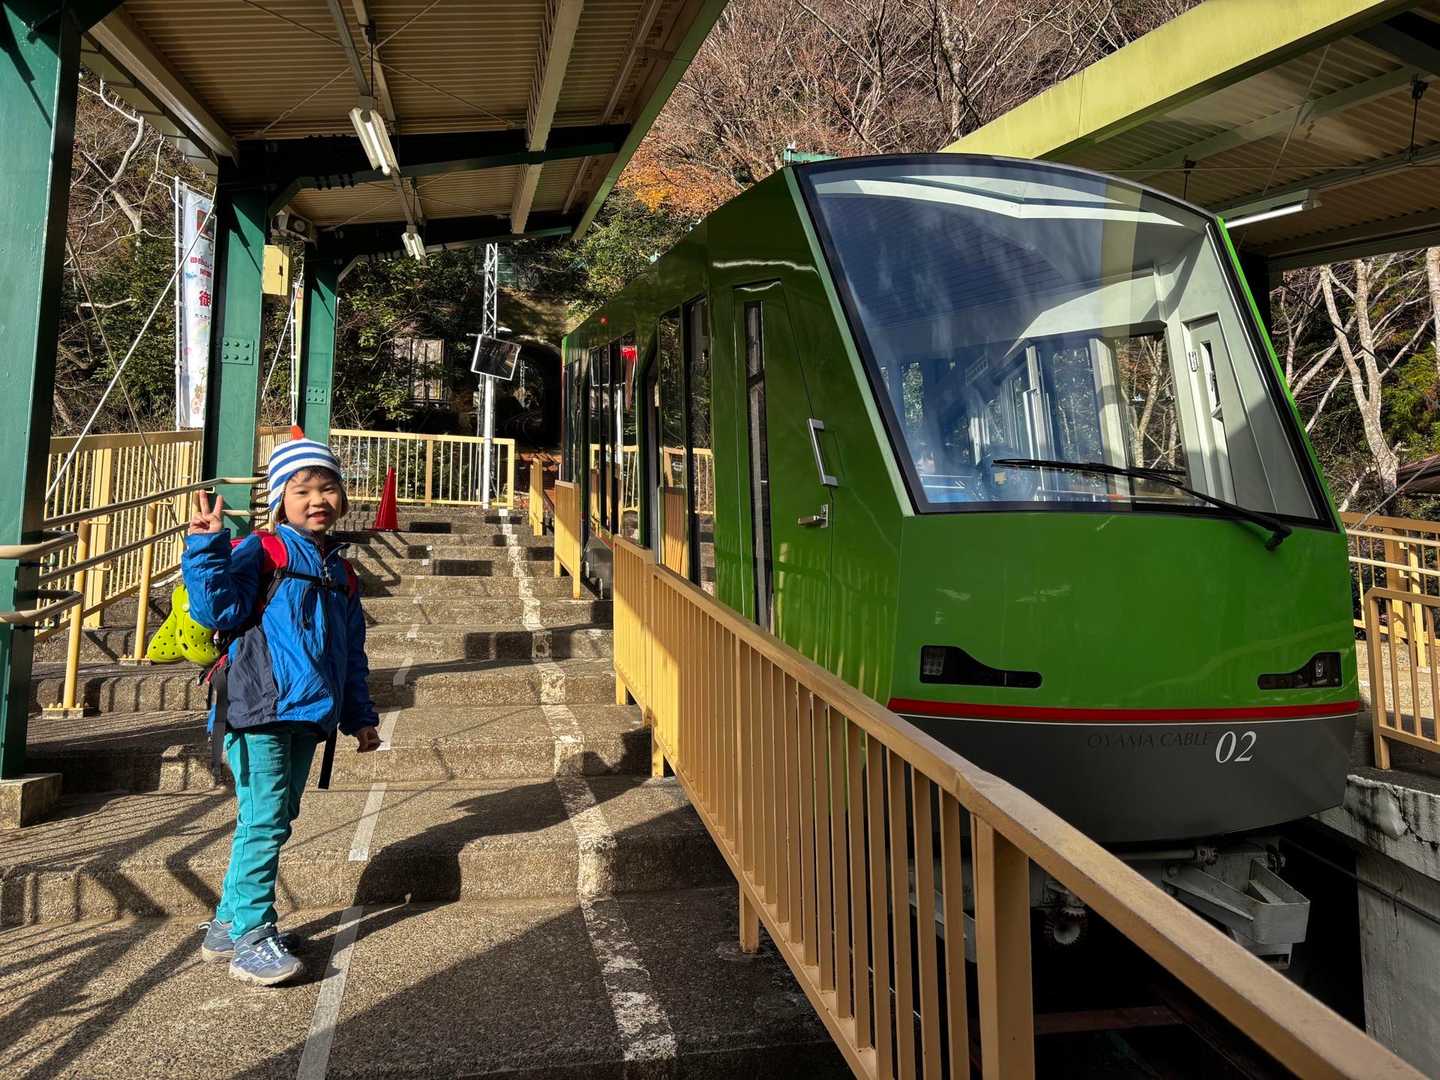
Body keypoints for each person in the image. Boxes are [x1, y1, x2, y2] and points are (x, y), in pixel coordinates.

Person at [183, 433, 380, 986]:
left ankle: (227, 925)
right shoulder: (263, 549)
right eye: (302, 491)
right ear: (279, 502)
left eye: (328, 488)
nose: (318, 500)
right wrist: (207, 547)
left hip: (308, 711)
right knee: (266, 820)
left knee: (273, 817)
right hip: (258, 706)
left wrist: (360, 716)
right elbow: (217, 609)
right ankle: (253, 934)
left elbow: (351, 652)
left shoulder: (341, 572)